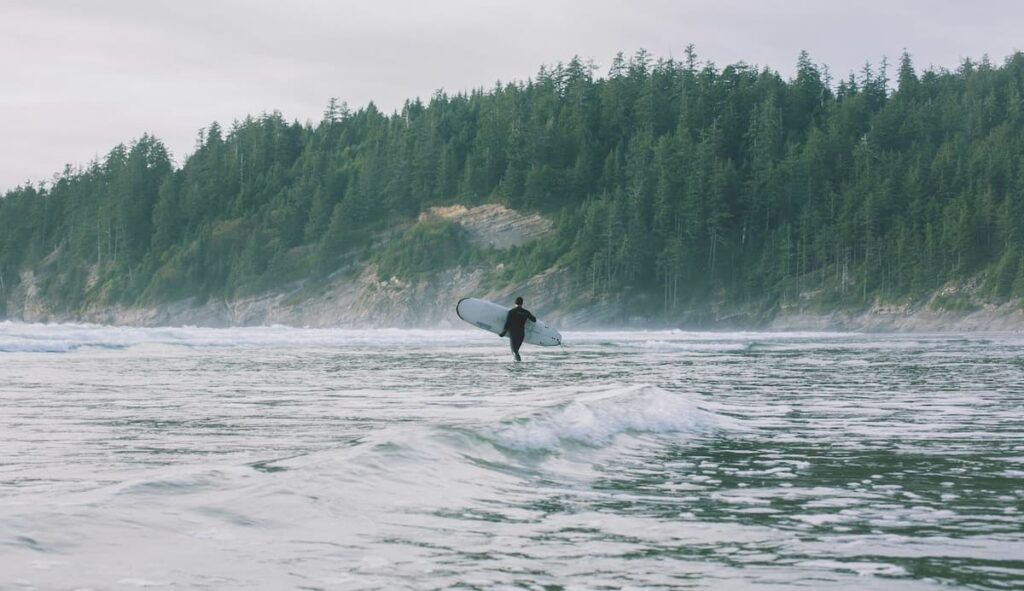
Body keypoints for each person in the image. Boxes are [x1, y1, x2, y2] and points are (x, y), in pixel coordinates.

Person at [498, 296, 536, 361]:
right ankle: (517, 364)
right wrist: (528, 315)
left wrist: (503, 332)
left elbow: (508, 323)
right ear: (522, 303)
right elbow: (534, 320)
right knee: (516, 350)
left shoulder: (511, 312)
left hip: (513, 333)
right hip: (521, 334)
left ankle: (518, 366)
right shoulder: (526, 312)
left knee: (514, 351)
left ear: (515, 303)